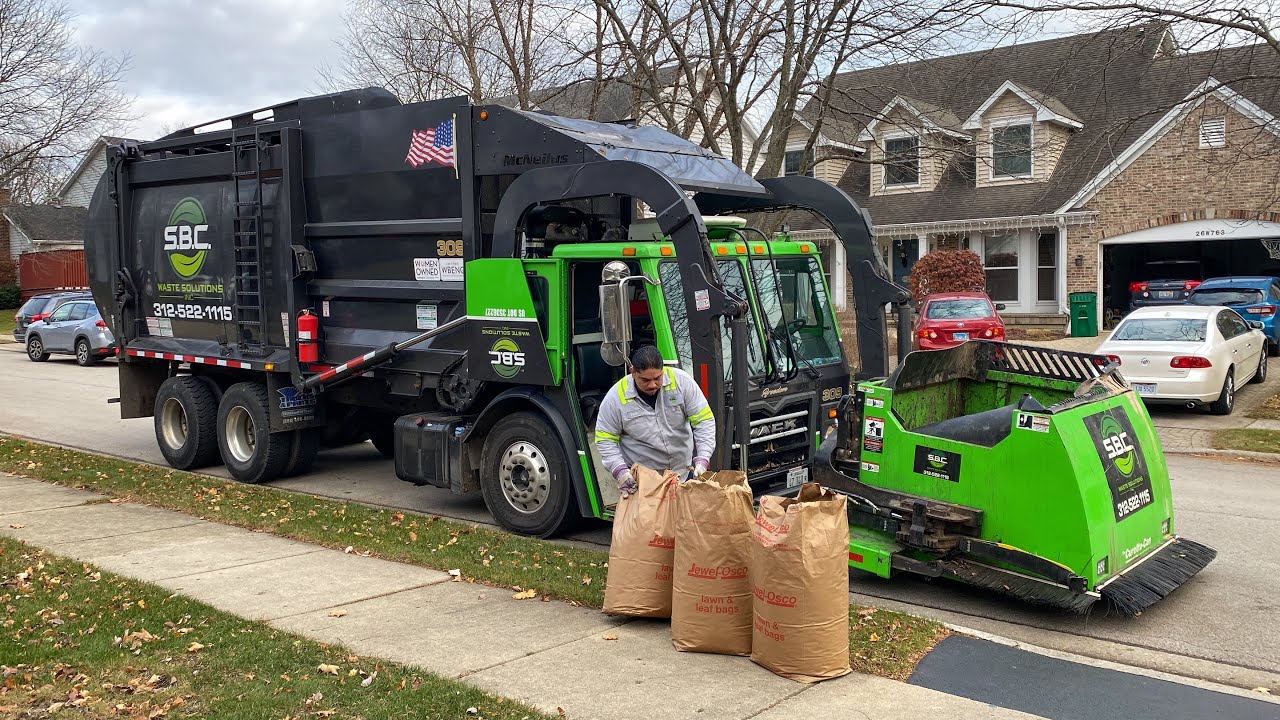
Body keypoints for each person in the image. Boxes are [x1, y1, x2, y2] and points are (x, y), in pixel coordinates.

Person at [595, 345, 716, 498]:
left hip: (683, 475)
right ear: (633, 373)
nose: (652, 385)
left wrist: (703, 457)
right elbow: (605, 439)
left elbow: (703, 421)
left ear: (663, 370)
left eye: (657, 378)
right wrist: (620, 471)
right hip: (643, 485)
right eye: (645, 380)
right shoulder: (616, 398)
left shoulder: (682, 383)